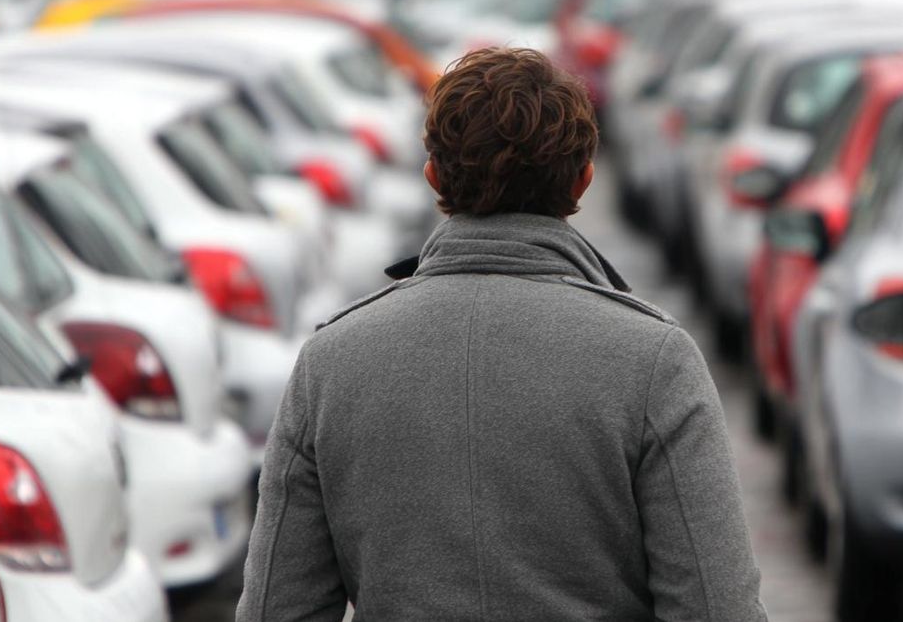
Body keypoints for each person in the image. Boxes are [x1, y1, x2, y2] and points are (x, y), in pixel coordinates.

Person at [237, 47, 767, 621]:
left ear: (434, 174)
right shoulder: (654, 359)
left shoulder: (331, 363)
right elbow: (717, 609)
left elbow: (276, 609)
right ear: (583, 180)